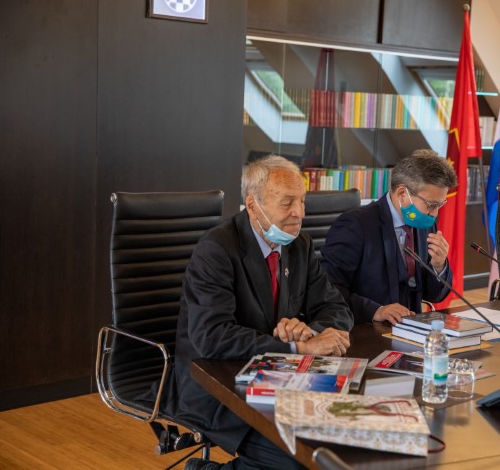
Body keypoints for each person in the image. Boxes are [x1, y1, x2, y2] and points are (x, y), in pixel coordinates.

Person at [169, 155, 353, 470]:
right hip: (218, 381)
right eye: (287, 203)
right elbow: (211, 337)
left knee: (338, 444)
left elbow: (335, 307)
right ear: (253, 205)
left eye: (302, 201)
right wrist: (297, 347)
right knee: (298, 459)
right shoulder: (217, 249)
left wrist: (310, 332)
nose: (299, 213)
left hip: (280, 377)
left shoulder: (299, 244)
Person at [321, 149, 457, 324]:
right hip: (366, 327)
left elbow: (434, 296)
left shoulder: (426, 224)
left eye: (439, 205)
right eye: (431, 204)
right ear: (402, 193)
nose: (435, 213)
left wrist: (439, 267)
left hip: (411, 327)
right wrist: (376, 310)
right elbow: (328, 289)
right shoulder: (355, 225)